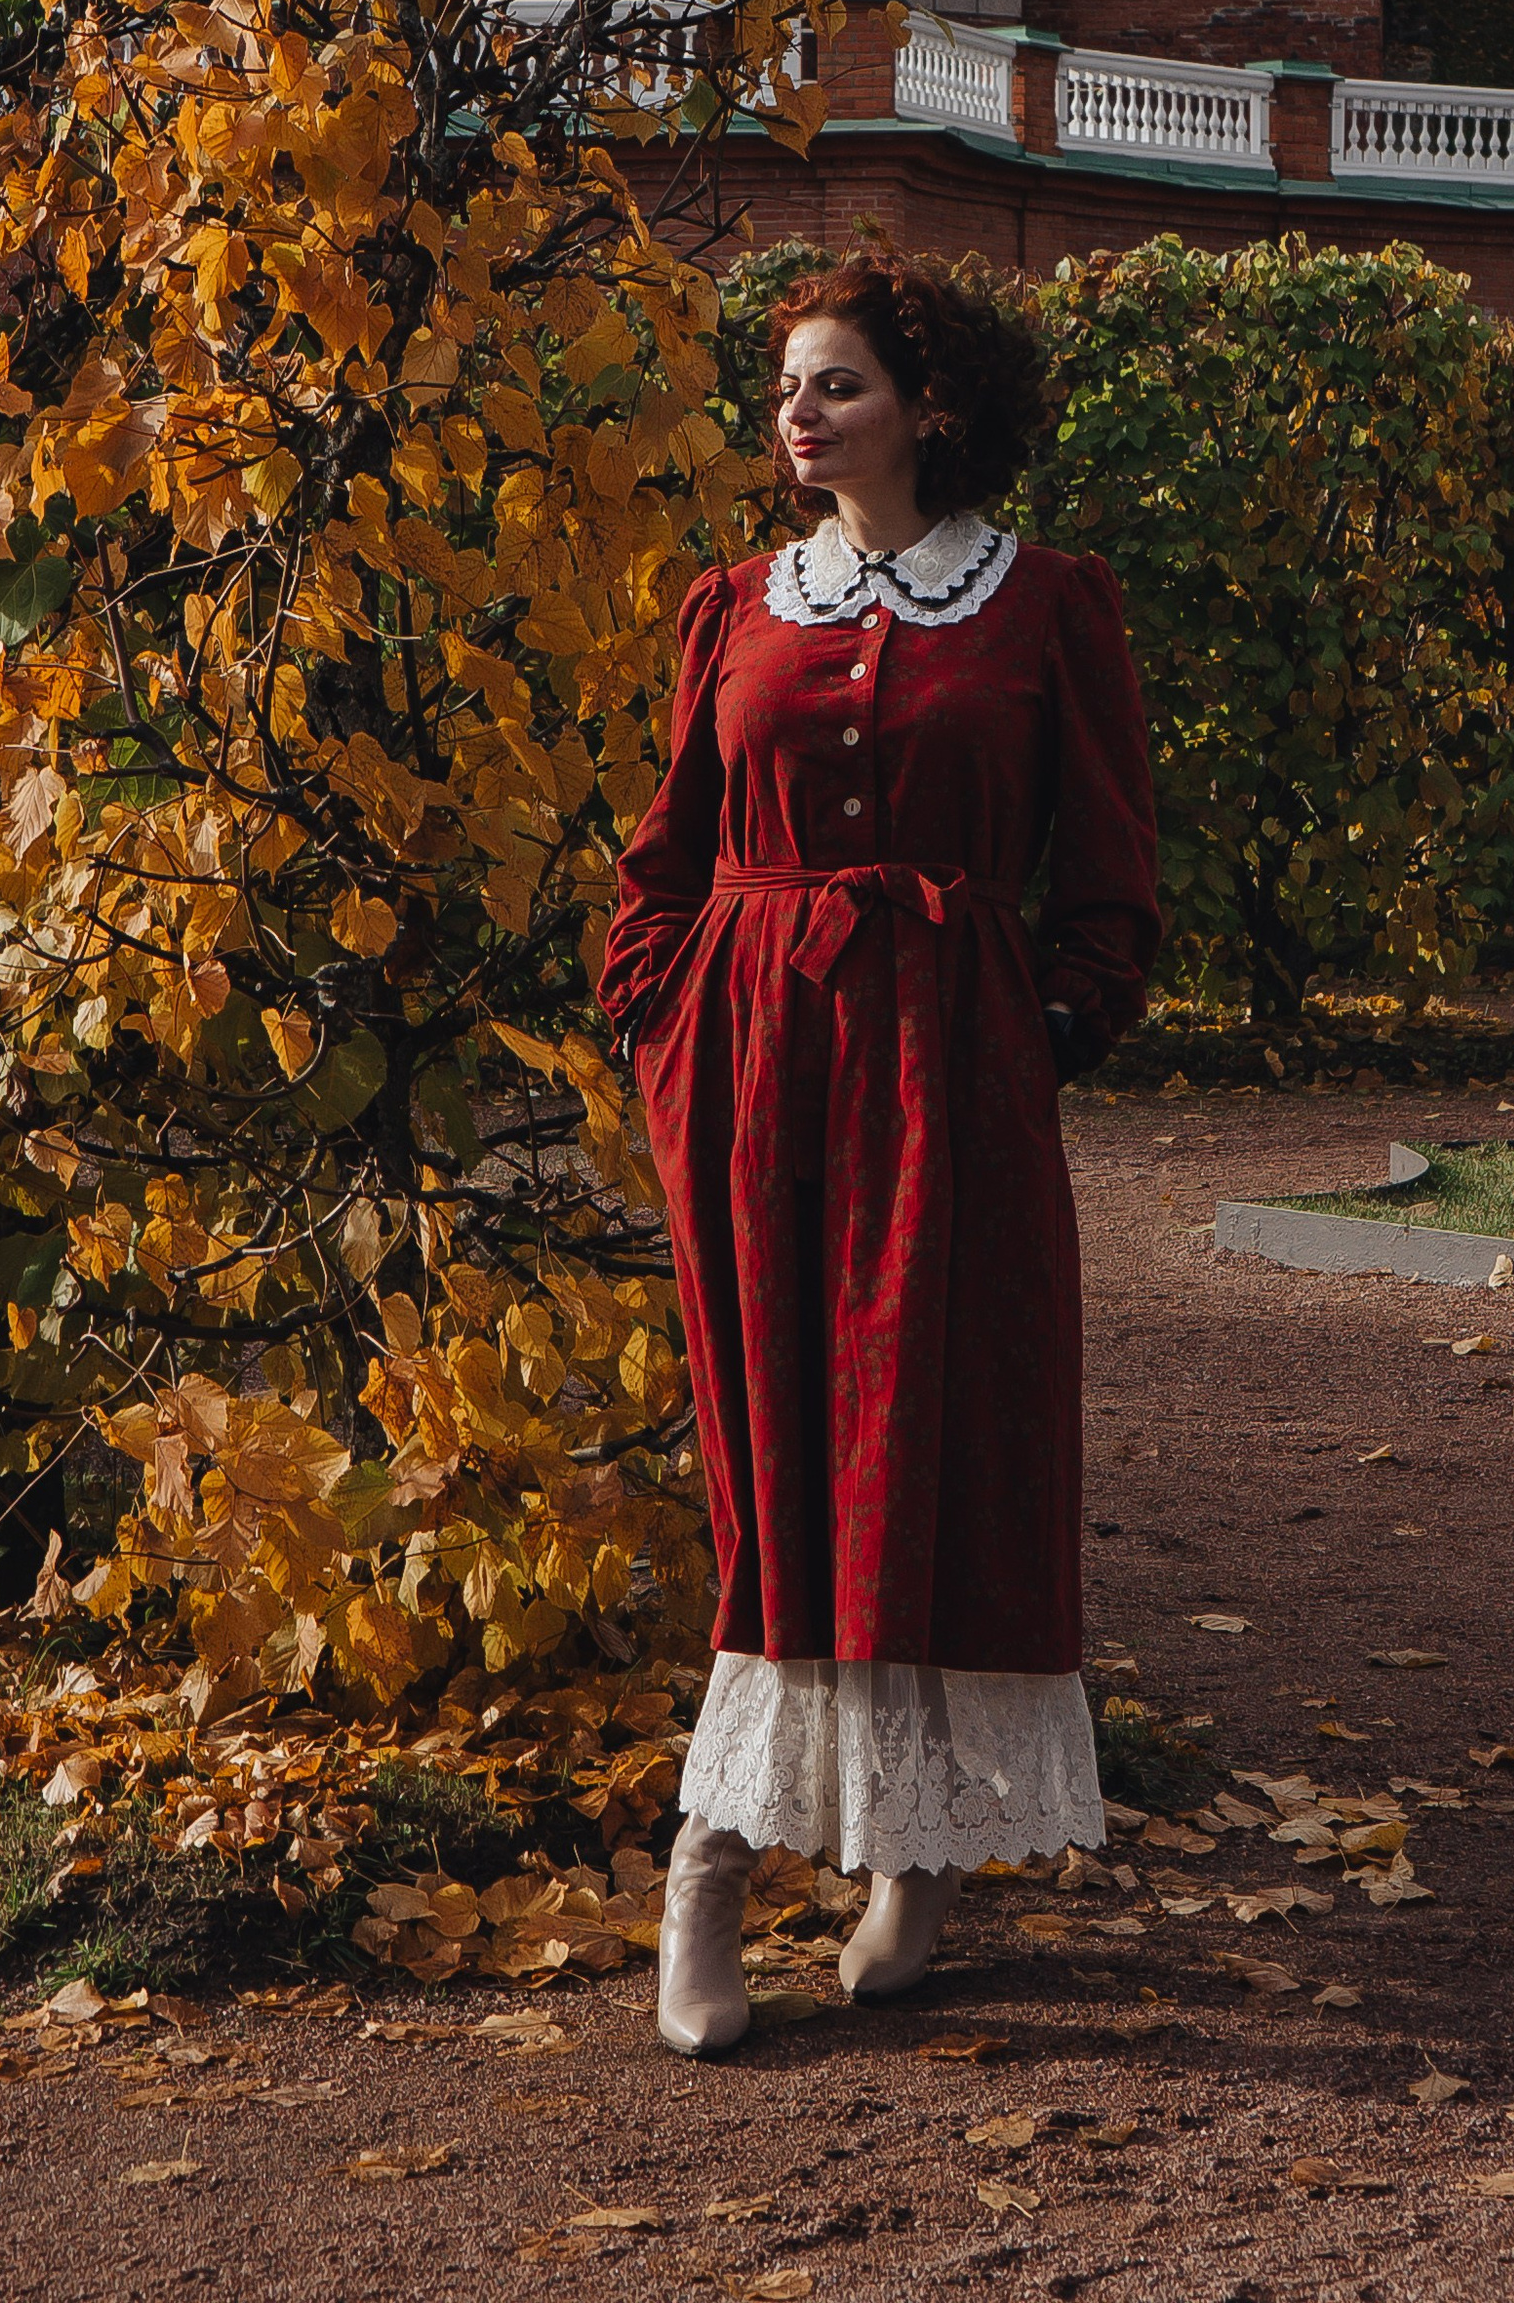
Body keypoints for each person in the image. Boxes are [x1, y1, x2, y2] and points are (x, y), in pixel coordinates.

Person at [599, 252, 1162, 2056]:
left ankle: (912, 1860)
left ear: (930, 406)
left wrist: (1042, 1026)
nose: (799, 413)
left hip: (955, 1068)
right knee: (778, 1451)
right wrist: (661, 1017)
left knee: (938, 1433)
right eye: (785, 387)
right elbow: (665, 851)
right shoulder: (735, 604)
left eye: (835, 383)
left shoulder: (1046, 605)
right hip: (757, 1065)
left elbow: (1113, 878)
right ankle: (713, 1863)